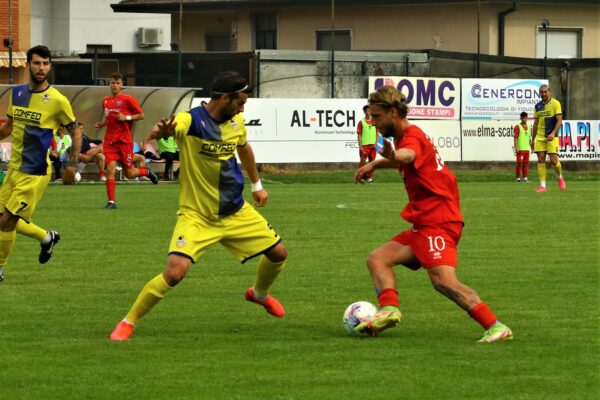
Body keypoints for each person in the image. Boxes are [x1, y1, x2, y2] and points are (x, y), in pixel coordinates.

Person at [110, 71, 289, 340]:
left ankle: (258, 294)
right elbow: (172, 128)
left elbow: (244, 148)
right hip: (197, 216)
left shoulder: (236, 122)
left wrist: (257, 185)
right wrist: (164, 132)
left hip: (235, 211)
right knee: (174, 272)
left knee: (279, 253)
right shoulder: (191, 121)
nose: (242, 109)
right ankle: (128, 321)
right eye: (240, 103)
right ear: (224, 98)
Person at [353, 86, 513, 343]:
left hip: (438, 220)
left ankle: (495, 326)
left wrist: (391, 155)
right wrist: (375, 163)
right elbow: (404, 157)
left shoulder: (411, 138)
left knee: (443, 281)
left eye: (377, 117)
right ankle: (389, 310)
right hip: (424, 221)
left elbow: (408, 155)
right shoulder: (405, 136)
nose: (372, 122)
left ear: (393, 112)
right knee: (378, 259)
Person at [0, 45, 82, 282]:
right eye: (37, 63)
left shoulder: (57, 100)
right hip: (14, 169)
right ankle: (47, 238)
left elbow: (75, 132)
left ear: (50, 66)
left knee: (7, 221)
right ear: (28, 64)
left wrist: (72, 165)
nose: (41, 67)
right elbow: (8, 127)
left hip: (35, 172)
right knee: (3, 220)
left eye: (46, 63)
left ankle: (1, 269)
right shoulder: (16, 94)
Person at [95, 72, 158, 209]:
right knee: (110, 169)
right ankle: (111, 202)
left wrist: (127, 118)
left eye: (117, 83)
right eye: (112, 83)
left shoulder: (128, 99)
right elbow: (109, 118)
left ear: (122, 85)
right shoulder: (105, 101)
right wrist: (102, 125)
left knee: (129, 174)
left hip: (124, 141)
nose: (115, 85)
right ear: (109, 84)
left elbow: (141, 115)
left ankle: (146, 172)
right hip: (110, 142)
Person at [532, 84, 565, 192]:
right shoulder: (537, 106)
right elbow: (536, 124)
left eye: (545, 92)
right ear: (539, 93)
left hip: (552, 136)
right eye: (542, 92)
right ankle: (543, 186)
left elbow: (559, 120)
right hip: (540, 137)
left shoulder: (556, 103)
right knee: (541, 159)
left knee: (554, 161)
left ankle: (559, 176)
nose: (544, 94)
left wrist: (553, 133)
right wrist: (533, 140)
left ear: (549, 91)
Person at [356, 105, 378, 183]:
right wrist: (360, 146)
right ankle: (359, 177)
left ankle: (370, 178)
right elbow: (359, 134)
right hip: (364, 146)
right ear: (364, 112)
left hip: (373, 145)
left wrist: (376, 143)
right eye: (367, 110)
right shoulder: (361, 122)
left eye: (370, 110)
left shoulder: (374, 121)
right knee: (363, 162)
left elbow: (377, 133)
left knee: (372, 163)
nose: (369, 112)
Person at [513, 111, 531, 182]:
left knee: (526, 163)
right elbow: (515, 138)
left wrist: (532, 147)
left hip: (526, 149)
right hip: (520, 149)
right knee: (519, 163)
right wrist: (516, 147)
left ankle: (525, 178)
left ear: (527, 118)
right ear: (520, 118)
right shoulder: (517, 127)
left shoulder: (529, 127)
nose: (524, 119)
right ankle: (518, 178)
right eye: (523, 118)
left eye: (525, 118)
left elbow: (529, 138)